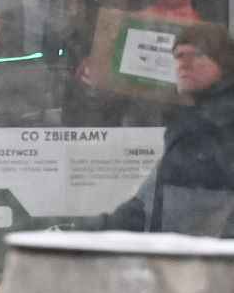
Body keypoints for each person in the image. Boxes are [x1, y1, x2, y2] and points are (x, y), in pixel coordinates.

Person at [87, 22, 234, 235]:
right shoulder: (198, 122)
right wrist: (94, 230)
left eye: (198, 54)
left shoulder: (207, 127)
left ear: (224, 62)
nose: (184, 64)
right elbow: (150, 203)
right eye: (178, 56)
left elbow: (181, 216)